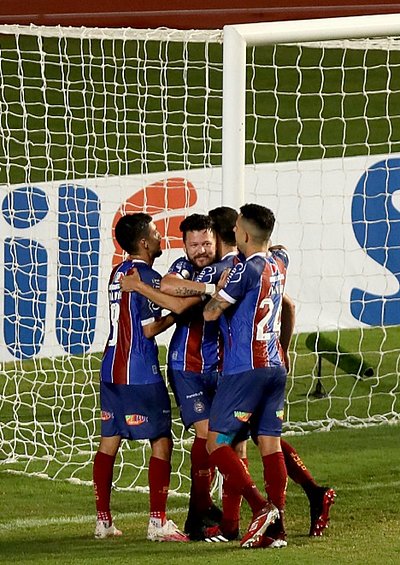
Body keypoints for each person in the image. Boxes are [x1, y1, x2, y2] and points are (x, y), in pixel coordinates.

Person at [119, 213, 224, 540]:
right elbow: (167, 286)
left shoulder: (228, 267)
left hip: (222, 365)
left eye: (206, 243)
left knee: (231, 441)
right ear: (185, 246)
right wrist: (203, 291)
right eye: (194, 245)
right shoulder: (184, 267)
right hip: (185, 366)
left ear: (217, 241)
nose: (201, 250)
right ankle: (204, 514)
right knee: (210, 437)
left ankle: (212, 513)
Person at [92, 213, 188, 542]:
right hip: (139, 371)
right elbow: (148, 328)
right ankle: (158, 523)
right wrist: (178, 314)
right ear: (144, 243)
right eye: (156, 232)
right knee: (162, 439)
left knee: (110, 441)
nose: (161, 237)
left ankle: (103, 521)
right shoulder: (145, 275)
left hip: (110, 368)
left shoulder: (117, 272)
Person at [203, 203, 291, 549]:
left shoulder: (246, 270)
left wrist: (217, 288)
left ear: (243, 234)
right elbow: (279, 249)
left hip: (245, 368)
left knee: (216, 444)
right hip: (275, 366)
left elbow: (211, 314)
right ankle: (277, 528)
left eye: (238, 228)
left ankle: (259, 507)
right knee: (270, 445)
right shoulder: (280, 262)